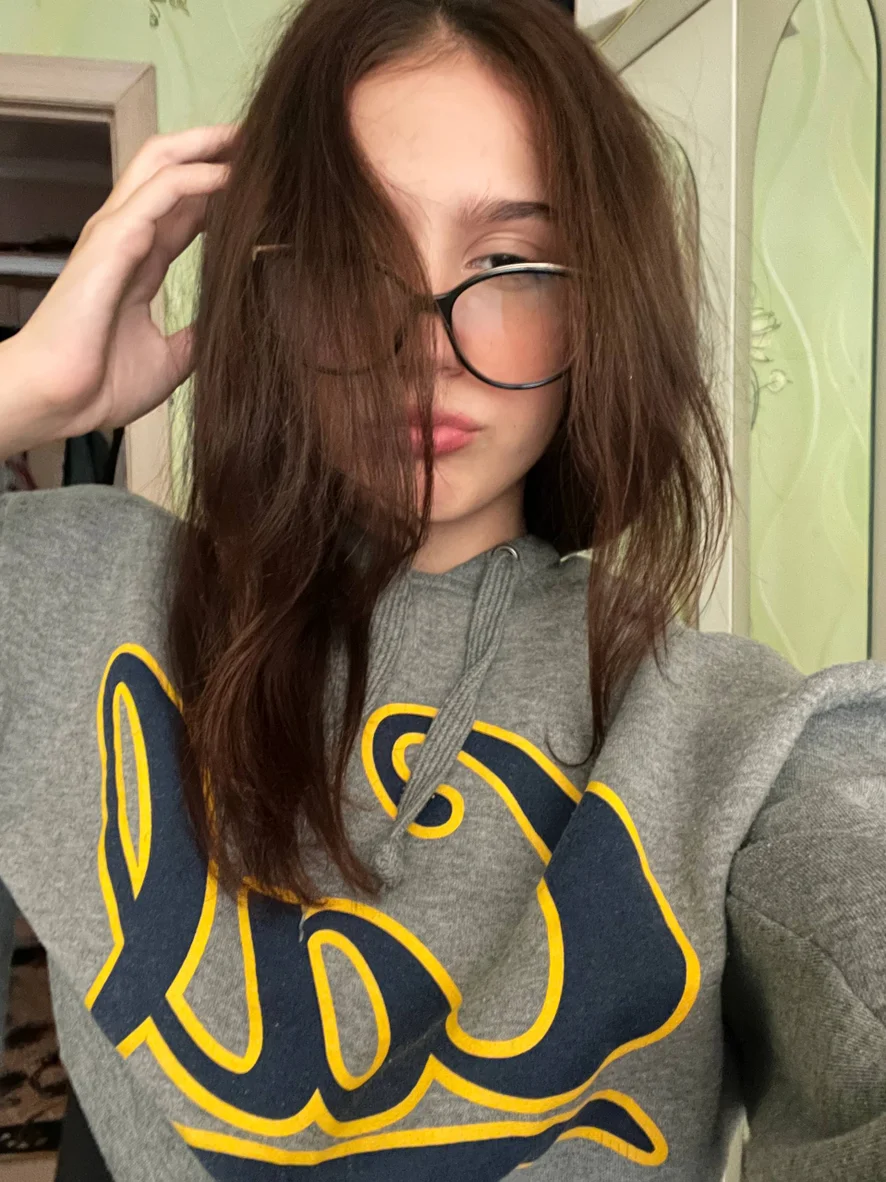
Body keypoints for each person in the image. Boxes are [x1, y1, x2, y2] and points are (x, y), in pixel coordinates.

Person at [0, 0, 884, 1178]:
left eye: (509, 264)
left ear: (601, 298)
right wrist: (24, 390)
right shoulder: (82, 596)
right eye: (345, 262)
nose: (423, 346)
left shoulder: (729, 735)